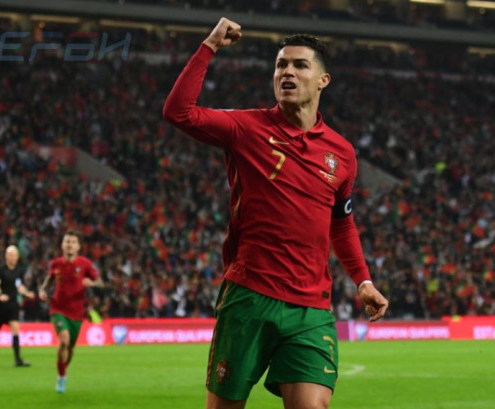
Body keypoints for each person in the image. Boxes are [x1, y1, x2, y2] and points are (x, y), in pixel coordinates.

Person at [163, 18, 389, 409]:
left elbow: (341, 224)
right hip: (250, 297)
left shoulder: (342, 154)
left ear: (323, 80)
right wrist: (210, 46)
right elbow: (178, 112)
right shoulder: (246, 127)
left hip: (311, 307)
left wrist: (363, 281)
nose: (287, 72)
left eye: (300, 65)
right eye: (281, 64)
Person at [39, 230, 103, 393]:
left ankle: (62, 369)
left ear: (78, 246)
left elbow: (100, 283)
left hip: (77, 312)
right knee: (64, 340)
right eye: (67, 241)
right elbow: (47, 282)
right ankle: (61, 377)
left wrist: (91, 283)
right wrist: (42, 291)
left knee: (70, 349)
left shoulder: (85, 264)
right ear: (62, 245)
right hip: (58, 309)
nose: (69, 245)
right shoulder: (56, 264)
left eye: (73, 242)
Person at [0, 245, 35, 367]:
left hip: (12, 305)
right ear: (6, 256)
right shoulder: (1, 270)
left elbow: (19, 286)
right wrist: (0, 294)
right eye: (10, 255)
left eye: (14, 255)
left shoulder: (19, 270)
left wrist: (27, 293)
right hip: (1, 306)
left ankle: (18, 359)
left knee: (15, 328)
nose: (13, 257)